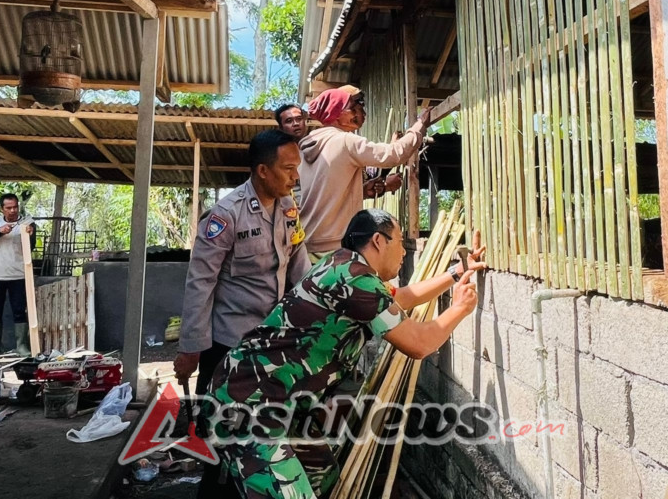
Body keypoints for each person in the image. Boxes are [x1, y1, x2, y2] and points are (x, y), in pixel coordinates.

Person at [194, 209, 486, 499]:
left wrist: (455, 272)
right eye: (400, 241)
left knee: (322, 473)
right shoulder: (355, 280)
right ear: (378, 241)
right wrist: (460, 308)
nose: (404, 252)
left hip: (278, 402)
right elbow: (419, 344)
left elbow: (401, 298)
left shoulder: (345, 266)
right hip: (249, 403)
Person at [174, 130, 311, 498]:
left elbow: (299, 267)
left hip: (272, 344)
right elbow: (199, 283)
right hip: (228, 348)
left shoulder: (289, 210)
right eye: (288, 169)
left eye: (296, 168)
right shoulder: (225, 215)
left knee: (265, 433)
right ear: (263, 170)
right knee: (218, 439)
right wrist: (191, 349)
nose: (295, 177)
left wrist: (310, 320)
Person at [299, 88, 431, 261]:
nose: (361, 111)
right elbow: (393, 154)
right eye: (354, 107)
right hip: (334, 247)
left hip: (308, 246)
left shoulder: (307, 146)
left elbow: (325, 192)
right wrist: (419, 126)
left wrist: (361, 191)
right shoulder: (344, 141)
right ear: (337, 114)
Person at [0, 193, 36, 357]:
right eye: (9, 207)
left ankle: (21, 346)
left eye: (15, 207)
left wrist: (29, 235)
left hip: (18, 274)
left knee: (19, 310)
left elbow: (30, 248)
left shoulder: (27, 223)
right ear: (1, 209)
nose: (12, 210)